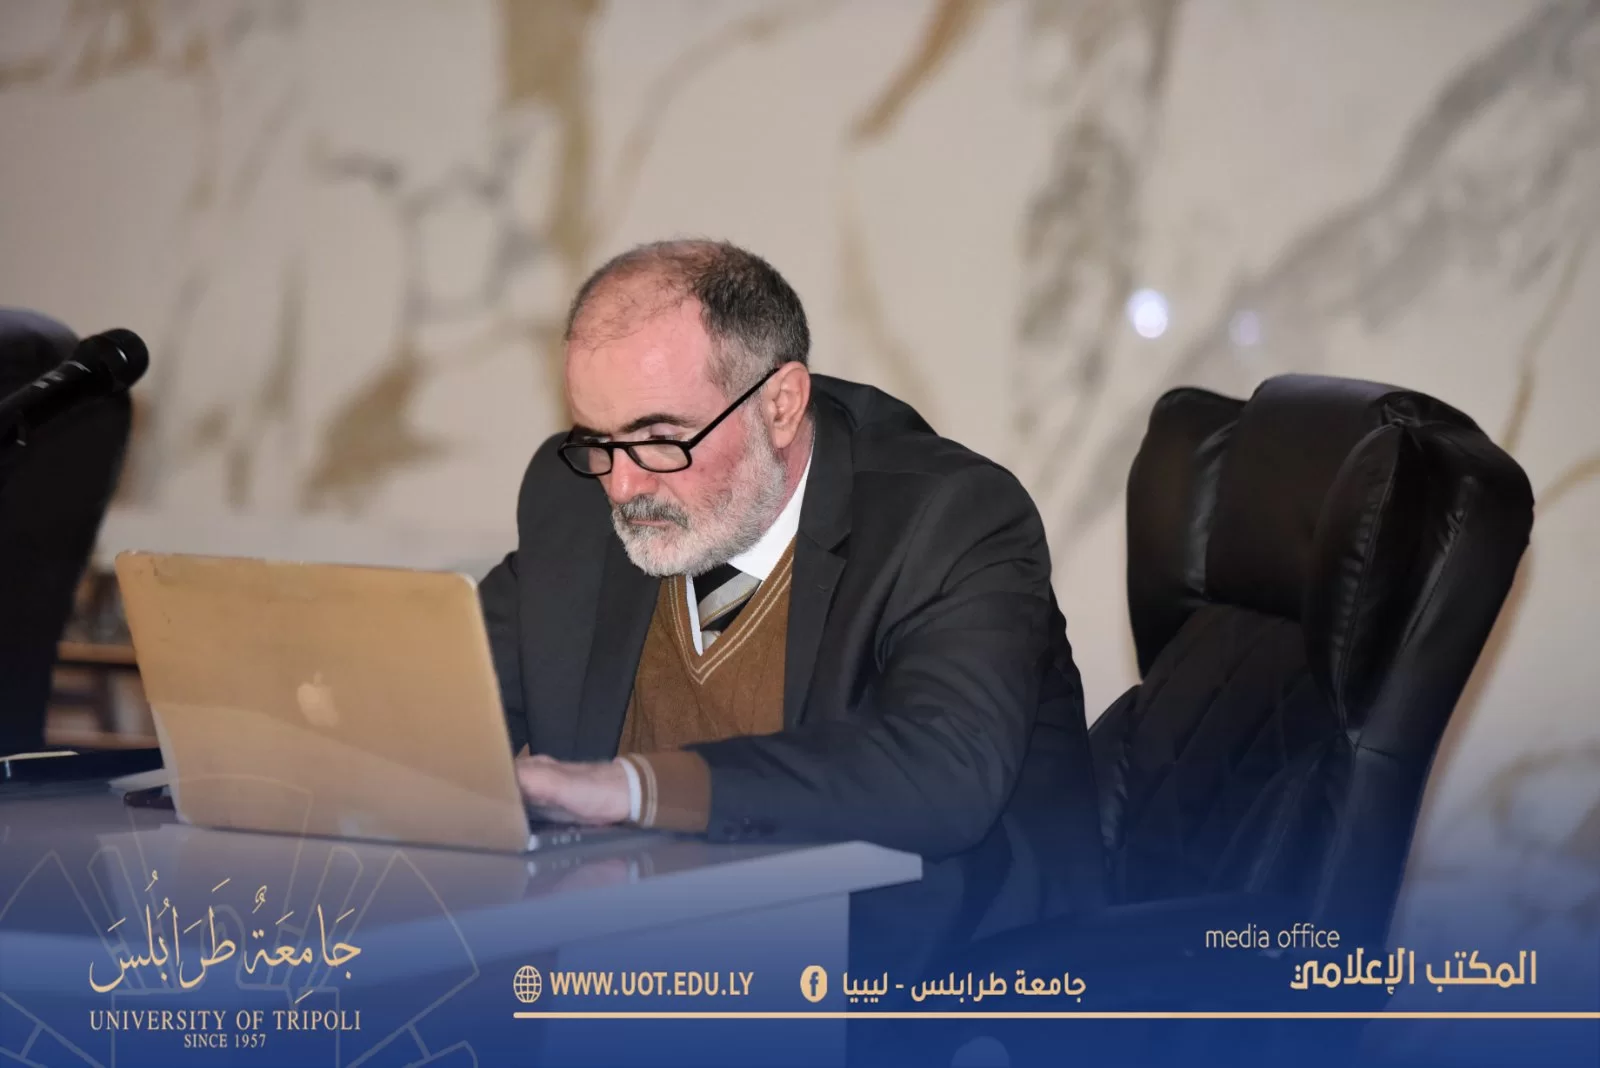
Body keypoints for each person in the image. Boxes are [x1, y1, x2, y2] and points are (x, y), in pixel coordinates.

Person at [479, 240, 1103, 947]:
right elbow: (450, 700)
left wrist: (636, 790)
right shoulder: (575, 495)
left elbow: (943, 770)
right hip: (635, 954)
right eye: (599, 440)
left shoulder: (946, 518)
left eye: (659, 438)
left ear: (780, 406)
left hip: (921, 972)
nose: (622, 487)